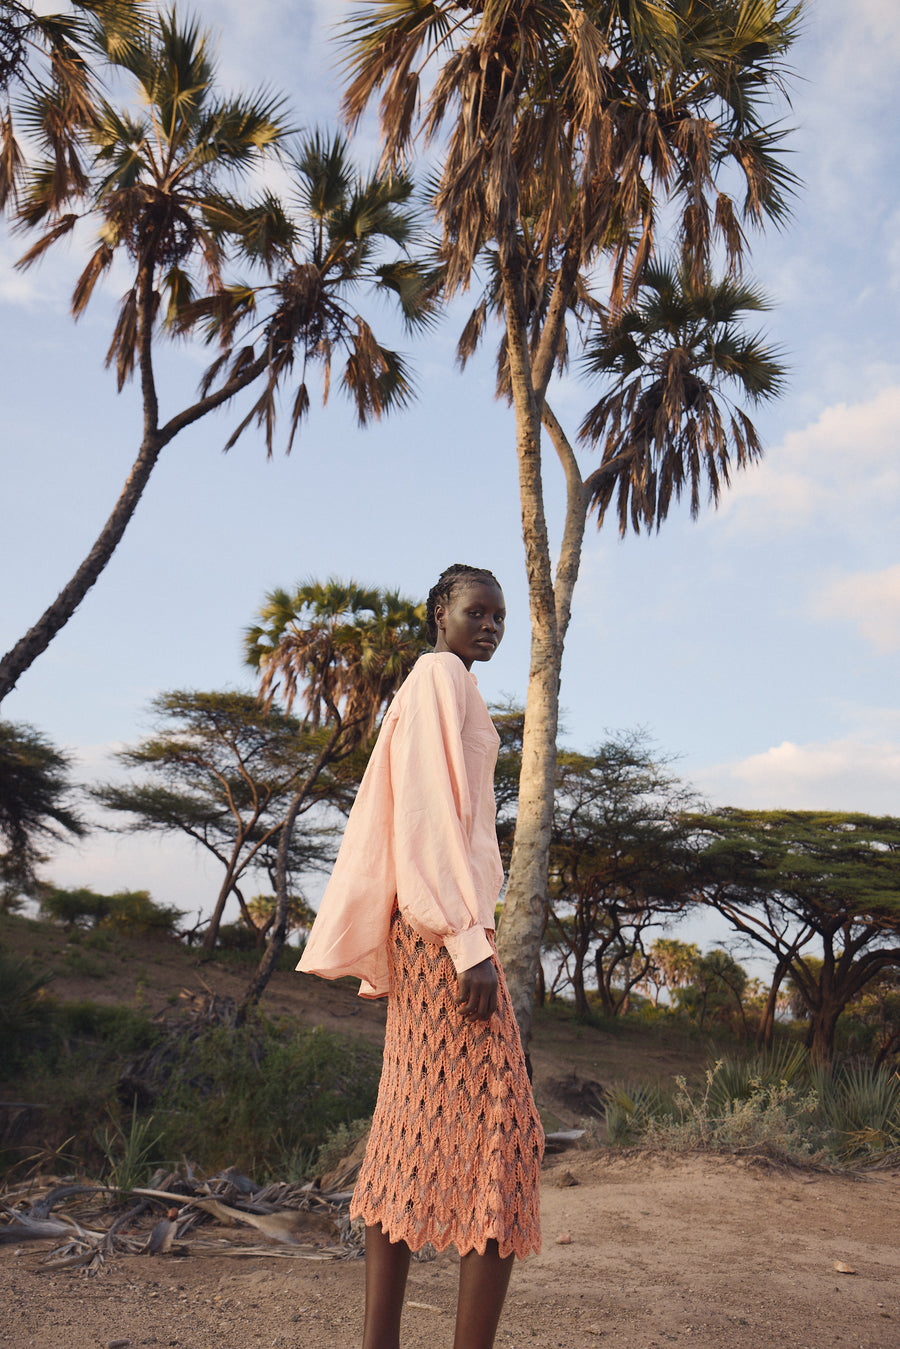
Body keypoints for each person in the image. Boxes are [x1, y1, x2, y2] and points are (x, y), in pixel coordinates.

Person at [298, 562, 543, 1349]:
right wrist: (467, 940)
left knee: (410, 1126)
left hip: (429, 928)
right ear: (441, 612)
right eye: (477, 610)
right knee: (508, 1138)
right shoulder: (441, 677)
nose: (491, 625)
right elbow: (434, 820)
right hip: (445, 935)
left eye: (501, 616)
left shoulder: (430, 682)